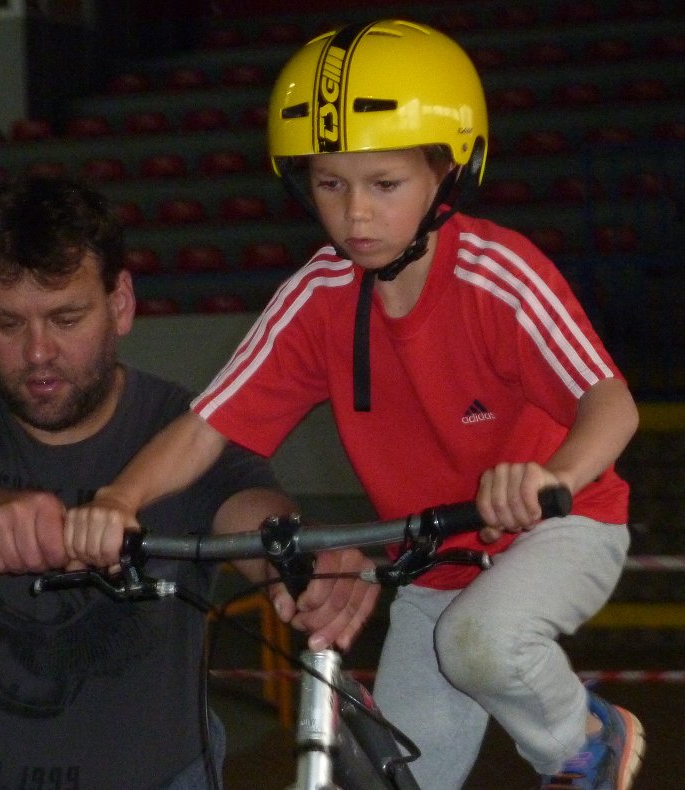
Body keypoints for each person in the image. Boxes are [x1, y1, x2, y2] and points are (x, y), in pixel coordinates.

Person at [62, 20, 646, 790]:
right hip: (435, 565)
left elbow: (612, 404)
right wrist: (119, 498)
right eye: (328, 184)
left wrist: (550, 476)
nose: (354, 216)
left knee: (483, 641)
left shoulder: (496, 275)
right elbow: (209, 426)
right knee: (380, 775)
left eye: (384, 184)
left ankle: (583, 741)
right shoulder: (318, 296)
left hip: (562, 528)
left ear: (448, 171)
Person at [0, 175, 378, 790]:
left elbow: (262, 522)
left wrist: (311, 569)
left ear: (121, 304)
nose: (38, 352)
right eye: (7, 323)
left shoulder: (183, 431)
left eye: (66, 318)